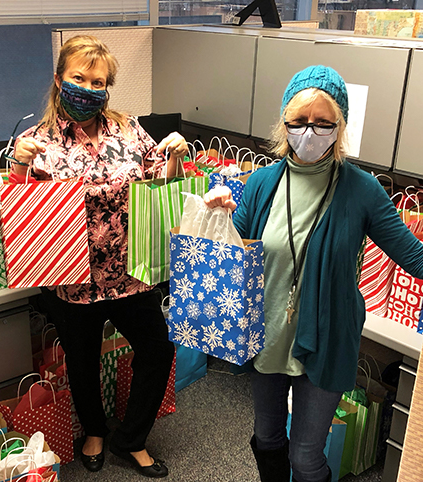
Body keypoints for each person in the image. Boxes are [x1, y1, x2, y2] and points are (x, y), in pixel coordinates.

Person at [205, 65, 423, 482]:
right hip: (266, 334)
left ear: (339, 127)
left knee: (306, 457)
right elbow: (236, 257)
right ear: (283, 124)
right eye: (299, 122)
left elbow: (414, 257)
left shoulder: (362, 191)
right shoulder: (262, 183)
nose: (309, 133)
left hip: (326, 339)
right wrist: (217, 218)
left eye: (323, 123)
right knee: (267, 438)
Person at [12, 35, 187, 478]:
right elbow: (17, 211)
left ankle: (131, 438)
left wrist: (174, 157)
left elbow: (158, 182)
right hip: (72, 274)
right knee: (82, 358)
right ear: (59, 78)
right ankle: (93, 430)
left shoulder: (127, 129)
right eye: (79, 78)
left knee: (157, 348)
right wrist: (17, 165)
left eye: (99, 81)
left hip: (131, 270)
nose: (89, 88)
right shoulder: (37, 140)